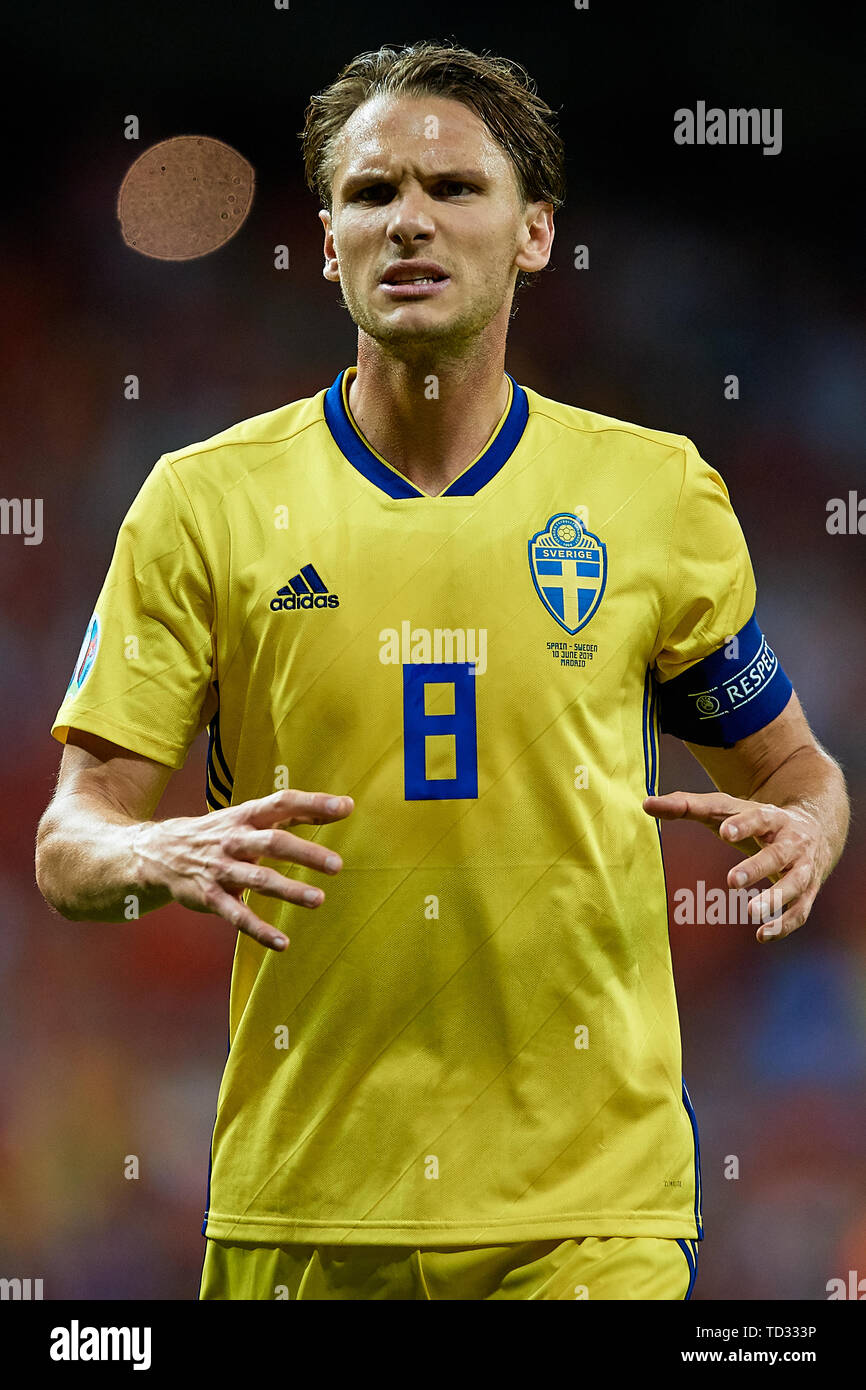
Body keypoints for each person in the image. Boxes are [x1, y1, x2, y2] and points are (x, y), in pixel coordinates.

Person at [35, 41, 849, 1301]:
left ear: (533, 233)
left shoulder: (651, 494)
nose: (408, 219)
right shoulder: (202, 503)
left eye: (453, 188)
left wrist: (807, 826)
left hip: (588, 1215)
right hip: (299, 1205)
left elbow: (793, 768)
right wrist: (151, 854)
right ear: (324, 241)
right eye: (370, 195)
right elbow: (70, 841)